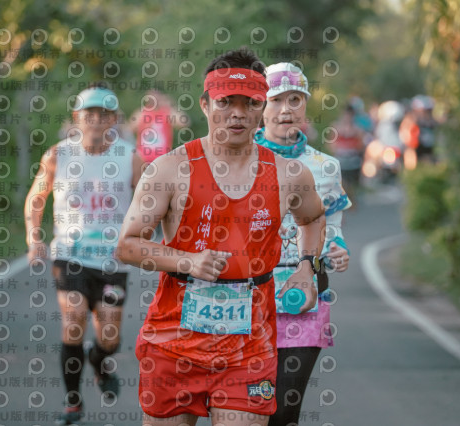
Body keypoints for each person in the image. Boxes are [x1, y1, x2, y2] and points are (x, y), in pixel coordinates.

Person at [116, 47, 326, 426]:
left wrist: (306, 267)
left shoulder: (290, 175)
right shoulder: (169, 170)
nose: (238, 113)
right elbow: (127, 246)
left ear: (262, 106)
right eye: (226, 102)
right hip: (173, 342)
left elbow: (312, 218)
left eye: (250, 103)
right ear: (205, 104)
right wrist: (187, 261)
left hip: (250, 347)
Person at [24, 83, 143, 425]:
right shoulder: (58, 155)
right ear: (77, 117)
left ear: (114, 119)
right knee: (74, 318)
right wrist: (34, 236)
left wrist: (145, 237)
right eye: (89, 114)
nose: (96, 120)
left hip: (112, 260)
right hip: (70, 254)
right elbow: (36, 198)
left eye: (104, 114)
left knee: (110, 336)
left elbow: (148, 203)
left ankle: (98, 360)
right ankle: (73, 402)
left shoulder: (130, 158)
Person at [254, 62, 351, 426]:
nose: (286, 109)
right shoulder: (238, 160)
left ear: (305, 105)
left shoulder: (325, 166)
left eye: (295, 99)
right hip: (247, 297)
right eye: (276, 100)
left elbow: (332, 226)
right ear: (260, 106)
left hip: (305, 295)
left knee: (284, 410)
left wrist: (338, 248)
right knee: (249, 410)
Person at [129, 89, 190, 164]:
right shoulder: (142, 113)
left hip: (162, 160)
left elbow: (184, 123)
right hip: (143, 159)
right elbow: (128, 131)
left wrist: (170, 105)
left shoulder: (167, 112)